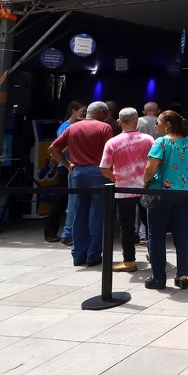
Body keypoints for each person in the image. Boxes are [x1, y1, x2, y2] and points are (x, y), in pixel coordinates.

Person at [48, 101, 113, 266]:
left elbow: (53, 148)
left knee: (79, 213)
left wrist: (67, 164)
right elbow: (109, 152)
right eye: (105, 114)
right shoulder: (104, 128)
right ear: (100, 112)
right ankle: (94, 254)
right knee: (99, 214)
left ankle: (78, 254)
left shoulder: (72, 127)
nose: (106, 118)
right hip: (98, 172)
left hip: (77, 172)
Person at [143, 110, 188, 290]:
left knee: (156, 235)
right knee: (181, 233)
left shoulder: (161, 142)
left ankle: (158, 277)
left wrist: (145, 181)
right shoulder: (187, 142)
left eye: (158, 122)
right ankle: (182, 275)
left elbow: (150, 168)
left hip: (162, 193)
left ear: (167, 125)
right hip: (185, 192)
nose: (156, 125)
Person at [99, 107, 154, 272]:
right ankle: (153, 253)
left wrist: (115, 178)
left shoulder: (112, 142)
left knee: (126, 226)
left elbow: (104, 168)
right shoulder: (149, 139)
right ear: (137, 121)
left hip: (123, 190)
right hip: (146, 188)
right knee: (150, 223)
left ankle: (129, 261)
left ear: (118, 122)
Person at [43, 100, 85, 243]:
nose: (84, 114)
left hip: (72, 165)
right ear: (73, 110)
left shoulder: (75, 126)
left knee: (70, 199)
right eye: (81, 111)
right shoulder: (66, 127)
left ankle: (68, 230)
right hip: (66, 166)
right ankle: (50, 231)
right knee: (62, 198)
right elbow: (61, 147)